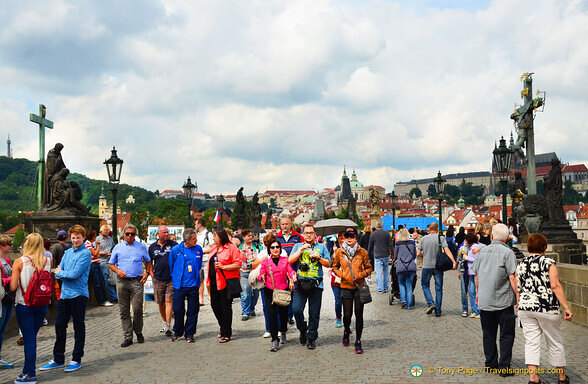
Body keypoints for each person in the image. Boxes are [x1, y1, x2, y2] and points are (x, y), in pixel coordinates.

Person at [516, 233, 573, 384]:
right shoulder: (548, 262)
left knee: (531, 342)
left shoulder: (521, 264)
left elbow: (518, 287)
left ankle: (533, 378)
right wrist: (566, 307)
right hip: (547, 307)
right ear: (544, 247)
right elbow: (555, 285)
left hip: (526, 307)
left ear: (529, 247)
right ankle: (561, 378)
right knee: (555, 341)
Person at [40, 225, 92, 373]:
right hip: (65, 294)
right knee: (59, 326)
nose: (75, 240)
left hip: (79, 295)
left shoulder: (85, 253)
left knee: (78, 326)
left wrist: (63, 273)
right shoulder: (68, 253)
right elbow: (57, 271)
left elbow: (74, 274)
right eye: (73, 238)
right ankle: (58, 359)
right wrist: (63, 273)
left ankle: (76, 358)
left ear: (83, 238)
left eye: (78, 238)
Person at [472, 223, 518, 376]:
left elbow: (476, 275)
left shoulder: (482, 252)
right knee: (506, 335)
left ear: (492, 236)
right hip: (503, 300)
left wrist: (478, 293)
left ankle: (491, 364)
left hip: (485, 300)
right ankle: (504, 367)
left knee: (488, 334)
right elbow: (512, 276)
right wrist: (518, 297)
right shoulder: (508, 253)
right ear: (506, 238)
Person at [9, 233, 51, 384]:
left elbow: (13, 287)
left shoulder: (20, 261)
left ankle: (31, 374)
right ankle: (26, 371)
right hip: (42, 304)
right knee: (32, 337)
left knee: (29, 339)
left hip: (24, 304)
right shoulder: (47, 261)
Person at [109, 224, 153, 348]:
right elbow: (111, 264)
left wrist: (147, 273)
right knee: (124, 310)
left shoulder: (141, 247)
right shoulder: (117, 247)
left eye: (132, 234)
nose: (129, 236)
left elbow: (148, 261)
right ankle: (128, 336)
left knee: (138, 309)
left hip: (136, 281)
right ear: (123, 235)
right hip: (122, 281)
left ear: (135, 235)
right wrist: (117, 271)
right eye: (127, 234)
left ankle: (138, 331)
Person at [289, 223, 331, 350]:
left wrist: (319, 258)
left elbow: (328, 264)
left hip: (316, 284)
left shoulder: (321, 247)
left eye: (311, 232)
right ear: (303, 234)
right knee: (296, 309)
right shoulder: (297, 246)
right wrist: (301, 250)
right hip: (300, 283)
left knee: (314, 313)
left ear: (315, 234)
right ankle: (302, 329)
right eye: (306, 232)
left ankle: (311, 337)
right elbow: (290, 260)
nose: (308, 235)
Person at [332, 228, 372, 354]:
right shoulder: (340, 252)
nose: (349, 239)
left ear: (356, 238)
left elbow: (370, 268)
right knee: (347, 315)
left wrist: (361, 275)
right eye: (347, 236)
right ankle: (346, 330)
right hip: (345, 286)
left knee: (359, 314)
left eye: (352, 236)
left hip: (359, 287)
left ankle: (358, 341)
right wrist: (342, 274)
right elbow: (334, 267)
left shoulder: (362, 252)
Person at [258, 240, 296, 352]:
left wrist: (292, 278)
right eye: (273, 247)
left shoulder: (285, 261)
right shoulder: (265, 262)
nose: (275, 249)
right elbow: (260, 274)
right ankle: (275, 339)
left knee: (284, 315)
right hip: (270, 291)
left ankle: (283, 331)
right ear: (269, 249)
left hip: (283, 290)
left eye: (277, 247)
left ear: (280, 248)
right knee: (272, 315)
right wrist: (262, 276)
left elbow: (291, 271)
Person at [168, 228, 202, 343]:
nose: (196, 240)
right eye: (193, 239)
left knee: (193, 310)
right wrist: (175, 277)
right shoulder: (176, 250)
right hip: (179, 286)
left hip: (193, 285)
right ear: (186, 240)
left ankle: (190, 333)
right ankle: (178, 331)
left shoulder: (198, 249)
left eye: (196, 238)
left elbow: (199, 263)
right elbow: (171, 265)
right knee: (178, 310)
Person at [207, 228, 241, 343]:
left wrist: (224, 267)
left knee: (226, 307)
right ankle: (223, 326)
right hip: (213, 282)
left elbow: (238, 264)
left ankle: (226, 333)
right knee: (214, 305)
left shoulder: (232, 248)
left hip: (226, 282)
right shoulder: (214, 248)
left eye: (215, 236)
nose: (213, 238)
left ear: (221, 236)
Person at [417, 222, 457, 317]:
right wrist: (454, 262)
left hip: (427, 266)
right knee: (438, 288)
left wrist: (425, 255)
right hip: (438, 266)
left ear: (429, 229)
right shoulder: (441, 238)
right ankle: (438, 311)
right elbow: (447, 250)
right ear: (437, 229)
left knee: (425, 285)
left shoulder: (423, 239)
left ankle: (431, 303)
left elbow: (418, 253)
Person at [148, 226, 177, 336]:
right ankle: (165, 321)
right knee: (160, 302)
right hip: (158, 278)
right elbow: (149, 262)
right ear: (158, 234)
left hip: (171, 278)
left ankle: (168, 325)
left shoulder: (173, 245)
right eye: (164, 232)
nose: (166, 234)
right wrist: (151, 274)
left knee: (169, 301)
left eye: (167, 232)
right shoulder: (152, 247)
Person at [275, 216, 302, 325]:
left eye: (287, 224)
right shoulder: (276, 237)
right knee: (282, 293)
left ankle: (290, 316)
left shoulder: (298, 237)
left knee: (293, 293)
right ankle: (284, 316)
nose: (285, 226)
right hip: (280, 271)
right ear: (280, 225)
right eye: (282, 224)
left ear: (291, 224)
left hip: (294, 270)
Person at [84, 230, 112, 307]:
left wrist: (96, 254)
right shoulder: (87, 244)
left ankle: (103, 299)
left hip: (96, 263)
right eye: (95, 236)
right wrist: (98, 245)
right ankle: (101, 300)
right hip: (93, 265)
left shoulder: (91, 244)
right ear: (92, 237)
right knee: (98, 283)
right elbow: (95, 253)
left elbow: (96, 254)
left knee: (101, 282)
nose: (96, 238)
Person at [238, 229, 260, 321]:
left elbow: (262, 256)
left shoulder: (257, 246)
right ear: (243, 237)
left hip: (255, 272)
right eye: (248, 235)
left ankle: (252, 308)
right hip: (243, 272)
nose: (251, 237)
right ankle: (245, 312)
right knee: (245, 293)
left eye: (252, 235)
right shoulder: (239, 248)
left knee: (255, 293)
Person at [0, 235, 15, 369]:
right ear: (1, 246)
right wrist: (11, 278)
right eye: (9, 244)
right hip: (2, 298)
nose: (11, 246)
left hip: (9, 298)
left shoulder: (6, 260)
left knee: (2, 330)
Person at [368, 220, 394, 294]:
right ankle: (386, 287)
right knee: (386, 271)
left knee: (378, 272)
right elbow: (390, 245)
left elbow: (370, 246)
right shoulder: (386, 233)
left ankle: (380, 288)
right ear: (382, 226)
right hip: (385, 254)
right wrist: (393, 255)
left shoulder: (373, 234)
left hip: (377, 255)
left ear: (376, 226)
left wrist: (368, 256)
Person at [394, 228, 417, 309]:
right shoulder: (412, 243)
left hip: (401, 267)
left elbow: (395, 256)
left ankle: (403, 300)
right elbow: (414, 255)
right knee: (409, 285)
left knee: (401, 284)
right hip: (410, 266)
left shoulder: (398, 244)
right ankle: (409, 305)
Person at [94, 225, 117, 303]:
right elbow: (94, 252)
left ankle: (114, 296)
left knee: (113, 280)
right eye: (105, 230)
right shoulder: (97, 239)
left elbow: (113, 248)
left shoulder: (110, 239)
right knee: (106, 281)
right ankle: (114, 297)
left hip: (111, 261)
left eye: (107, 230)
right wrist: (103, 253)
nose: (106, 231)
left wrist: (111, 253)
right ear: (101, 231)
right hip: (102, 262)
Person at [465, 233, 484, 319]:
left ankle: (477, 310)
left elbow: (477, 259)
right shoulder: (473, 247)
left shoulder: (475, 248)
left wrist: (466, 258)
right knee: (472, 291)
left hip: (475, 272)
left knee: (474, 292)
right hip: (471, 272)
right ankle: (475, 310)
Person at [329, 232, 345, 328]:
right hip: (336, 280)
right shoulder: (334, 249)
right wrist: (335, 253)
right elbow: (331, 264)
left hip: (347, 279)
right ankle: (338, 318)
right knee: (338, 301)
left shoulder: (351, 250)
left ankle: (347, 319)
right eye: (340, 236)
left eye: (344, 236)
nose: (342, 238)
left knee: (347, 300)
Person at [195, 219, 213, 305]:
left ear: (200, 224)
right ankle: (200, 299)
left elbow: (213, 247)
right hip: (198, 259)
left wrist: (203, 251)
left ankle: (210, 295)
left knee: (207, 279)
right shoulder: (196, 235)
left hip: (206, 258)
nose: (195, 226)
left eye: (196, 224)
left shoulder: (208, 234)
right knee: (200, 280)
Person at [50, 230, 71, 301]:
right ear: (67, 238)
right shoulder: (70, 246)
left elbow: (53, 258)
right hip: (69, 270)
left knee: (61, 286)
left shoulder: (56, 246)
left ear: (57, 237)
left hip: (59, 270)